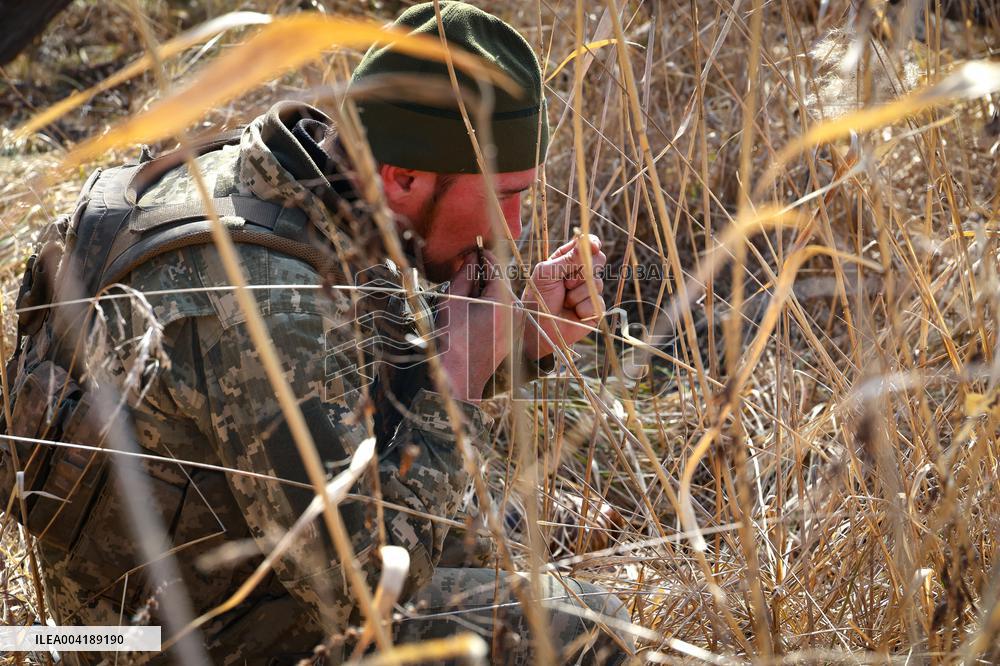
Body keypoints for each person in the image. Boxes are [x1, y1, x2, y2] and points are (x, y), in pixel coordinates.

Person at [15, 2, 631, 663]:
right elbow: (360, 591)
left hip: (179, 592)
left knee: (489, 531)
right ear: (404, 177)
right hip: (154, 642)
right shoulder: (270, 304)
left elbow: (359, 370)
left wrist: (517, 339)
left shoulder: (286, 178)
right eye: (501, 193)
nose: (511, 227)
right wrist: (459, 382)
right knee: (586, 624)